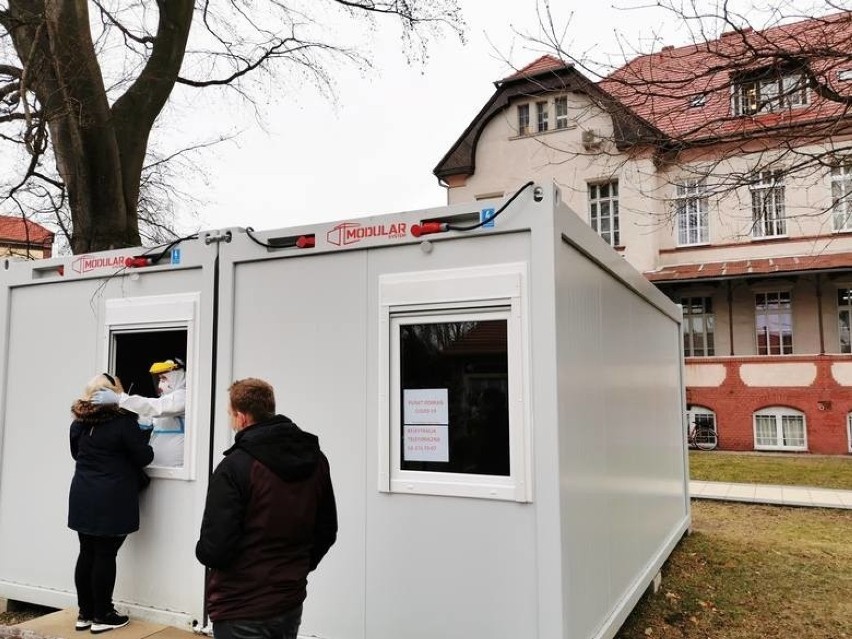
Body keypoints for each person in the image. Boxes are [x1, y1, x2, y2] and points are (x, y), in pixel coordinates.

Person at [195, 378, 337, 639]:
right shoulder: (316, 460)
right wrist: (296, 568)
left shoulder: (235, 467)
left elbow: (215, 549)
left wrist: (202, 551)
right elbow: (326, 530)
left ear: (241, 417)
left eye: (230, 414)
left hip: (240, 605)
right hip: (288, 600)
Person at [68, 373, 154, 634]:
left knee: (87, 552)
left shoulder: (79, 423)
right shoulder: (123, 423)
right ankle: (103, 614)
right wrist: (146, 431)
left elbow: (76, 453)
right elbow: (144, 457)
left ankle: (85, 612)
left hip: (83, 493)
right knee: (105, 554)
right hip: (111, 497)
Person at [92, 358, 186, 467]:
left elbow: (155, 407)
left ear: (176, 377)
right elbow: (147, 420)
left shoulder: (183, 396)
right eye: (159, 379)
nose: (160, 385)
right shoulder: (165, 400)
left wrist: (121, 399)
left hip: (176, 470)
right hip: (158, 467)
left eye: (164, 379)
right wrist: (125, 413)